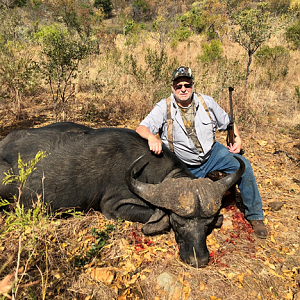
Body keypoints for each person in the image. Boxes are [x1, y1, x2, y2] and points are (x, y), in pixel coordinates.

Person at [136, 66, 267, 239]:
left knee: (244, 167)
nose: (183, 89)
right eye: (179, 85)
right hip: (181, 163)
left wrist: (237, 139)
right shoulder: (163, 107)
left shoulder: (207, 102)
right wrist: (152, 138)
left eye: (187, 85)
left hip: (212, 154)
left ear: (193, 84)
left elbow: (228, 123)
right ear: (172, 87)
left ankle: (256, 216)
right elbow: (141, 128)